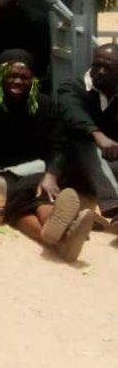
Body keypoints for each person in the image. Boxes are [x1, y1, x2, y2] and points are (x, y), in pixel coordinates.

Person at [0, 50, 94, 262]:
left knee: (41, 190)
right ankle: (63, 236)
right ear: (0, 76)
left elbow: (59, 145)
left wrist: (52, 174)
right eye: (12, 76)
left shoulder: (45, 105)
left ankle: (56, 234)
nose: (18, 81)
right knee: (11, 194)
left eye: (24, 77)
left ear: (33, 79)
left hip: (33, 170)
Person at [55, 43, 118, 234]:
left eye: (108, 68)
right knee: (83, 139)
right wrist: (97, 135)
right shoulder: (72, 87)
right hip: (72, 164)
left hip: (107, 164)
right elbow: (72, 112)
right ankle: (114, 205)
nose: (99, 71)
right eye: (96, 65)